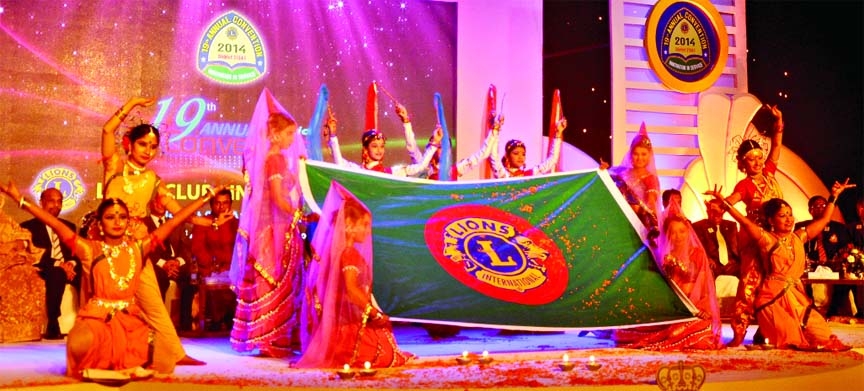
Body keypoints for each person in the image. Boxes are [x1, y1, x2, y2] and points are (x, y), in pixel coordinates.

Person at [0, 180, 222, 379]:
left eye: (122, 217)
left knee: (164, 356)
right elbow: (55, 223)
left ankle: (119, 364)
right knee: (80, 345)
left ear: (128, 222)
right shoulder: (89, 249)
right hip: (98, 321)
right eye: (110, 217)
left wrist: (205, 198)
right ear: (100, 223)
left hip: (130, 320)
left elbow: (175, 221)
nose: (117, 222)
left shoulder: (138, 248)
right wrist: (19, 199)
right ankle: (110, 364)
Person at [99, 97, 206, 370]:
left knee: (153, 302)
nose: (148, 150)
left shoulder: (153, 180)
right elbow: (106, 130)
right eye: (143, 144)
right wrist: (132, 103)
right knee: (105, 303)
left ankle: (176, 352)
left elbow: (175, 208)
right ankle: (102, 351)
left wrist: (204, 221)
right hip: (108, 246)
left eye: (153, 146)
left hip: (139, 247)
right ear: (130, 145)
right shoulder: (114, 167)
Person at [707, 179, 854, 351]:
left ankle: (765, 341)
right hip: (772, 301)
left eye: (790, 214)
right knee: (790, 340)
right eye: (782, 215)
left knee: (824, 338)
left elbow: (824, 220)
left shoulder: (800, 236)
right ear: (770, 220)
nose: (789, 219)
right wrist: (724, 203)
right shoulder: (766, 239)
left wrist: (833, 197)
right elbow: (745, 222)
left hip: (798, 298)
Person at [296, 183, 413, 368]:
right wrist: (374, 313)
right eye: (364, 225)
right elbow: (351, 290)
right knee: (385, 351)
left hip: (334, 328)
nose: (368, 230)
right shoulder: (349, 254)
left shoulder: (336, 254)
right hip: (346, 328)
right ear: (349, 226)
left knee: (385, 339)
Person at [229, 88, 307, 356]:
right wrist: (298, 215)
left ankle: (275, 338)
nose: (291, 139)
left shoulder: (275, 159)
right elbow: (276, 198)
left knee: (279, 279)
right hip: (273, 229)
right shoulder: (274, 159)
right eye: (288, 134)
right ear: (274, 134)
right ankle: (270, 339)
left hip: (278, 227)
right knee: (272, 278)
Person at [717, 104, 785, 347]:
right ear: (743, 164)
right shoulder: (744, 186)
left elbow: (776, 145)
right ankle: (738, 333)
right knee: (749, 286)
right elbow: (731, 202)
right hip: (755, 243)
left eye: (759, 157)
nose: (757, 162)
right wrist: (719, 202)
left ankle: (771, 329)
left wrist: (778, 122)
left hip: (777, 242)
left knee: (776, 284)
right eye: (751, 159)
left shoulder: (770, 172)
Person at [613, 201, 722, 350]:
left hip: (693, 308)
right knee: (623, 332)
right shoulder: (663, 255)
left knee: (699, 329)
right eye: (673, 232)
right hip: (671, 309)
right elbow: (658, 289)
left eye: (682, 231)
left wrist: (700, 308)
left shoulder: (697, 254)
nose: (678, 236)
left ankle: (673, 334)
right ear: (667, 235)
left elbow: (703, 286)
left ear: (688, 232)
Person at [20, 188, 81, 340]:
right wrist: (59, 264)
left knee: (90, 273)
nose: (56, 205)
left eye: (59, 201)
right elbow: (32, 254)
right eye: (51, 201)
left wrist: (71, 263)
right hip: (44, 268)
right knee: (57, 273)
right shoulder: (28, 227)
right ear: (41, 203)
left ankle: (89, 323)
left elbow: (77, 253)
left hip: (68, 268)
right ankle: (53, 323)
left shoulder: (69, 227)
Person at [327, 105, 442, 177]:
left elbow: (420, 167)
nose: (379, 150)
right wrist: (332, 135)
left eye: (382, 146)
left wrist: (434, 143)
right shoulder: (358, 171)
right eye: (374, 146)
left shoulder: (393, 172)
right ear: (366, 149)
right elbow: (339, 162)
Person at [794, 195, 853, 317]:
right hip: (810, 266)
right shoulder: (802, 227)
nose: (821, 208)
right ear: (810, 210)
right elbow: (797, 246)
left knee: (845, 281)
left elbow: (846, 248)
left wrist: (839, 259)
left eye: (824, 206)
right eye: (817, 206)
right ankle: (811, 311)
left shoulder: (839, 228)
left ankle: (834, 312)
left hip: (833, 266)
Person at [190, 188, 238, 332]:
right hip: (210, 268)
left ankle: (233, 320)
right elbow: (197, 248)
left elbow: (240, 249)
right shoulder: (204, 222)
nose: (222, 207)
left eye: (225, 203)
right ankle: (218, 321)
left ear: (231, 204)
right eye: (218, 203)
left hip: (232, 269)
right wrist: (213, 265)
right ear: (211, 204)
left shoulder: (237, 224)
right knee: (214, 280)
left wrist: (231, 267)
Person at [607, 123, 661, 242]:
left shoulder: (650, 178)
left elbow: (651, 201)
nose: (639, 158)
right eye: (636, 154)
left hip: (637, 223)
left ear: (649, 156)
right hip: (617, 218)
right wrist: (602, 171)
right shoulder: (621, 172)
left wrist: (650, 220)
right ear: (631, 155)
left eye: (643, 154)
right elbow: (607, 181)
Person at [0, 206, 47, 343]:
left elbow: (22, 235)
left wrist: (18, 244)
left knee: (29, 275)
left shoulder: (6, 220)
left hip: (10, 260)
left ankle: (25, 331)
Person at [144, 197, 191, 302]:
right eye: (157, 201)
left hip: (175, 263)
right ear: (150, 204)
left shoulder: (175, 222)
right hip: (156, 265)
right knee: (160, 279)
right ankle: (161, 316)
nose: (161, 204)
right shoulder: (144, 224)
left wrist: (178, 261)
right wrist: (164, 264)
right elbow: (145, 251)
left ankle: (185, 318)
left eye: (164, 202)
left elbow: (185, 247)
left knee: (189, 280)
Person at [489, 117, 567, 178]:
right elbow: (493, 156)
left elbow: (552, 160)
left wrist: (558, 133)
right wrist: (495, 130)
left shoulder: (530, 174)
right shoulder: (503, 174)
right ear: (507, 156)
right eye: (516, 153)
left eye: (523, 154)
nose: (520, 157)